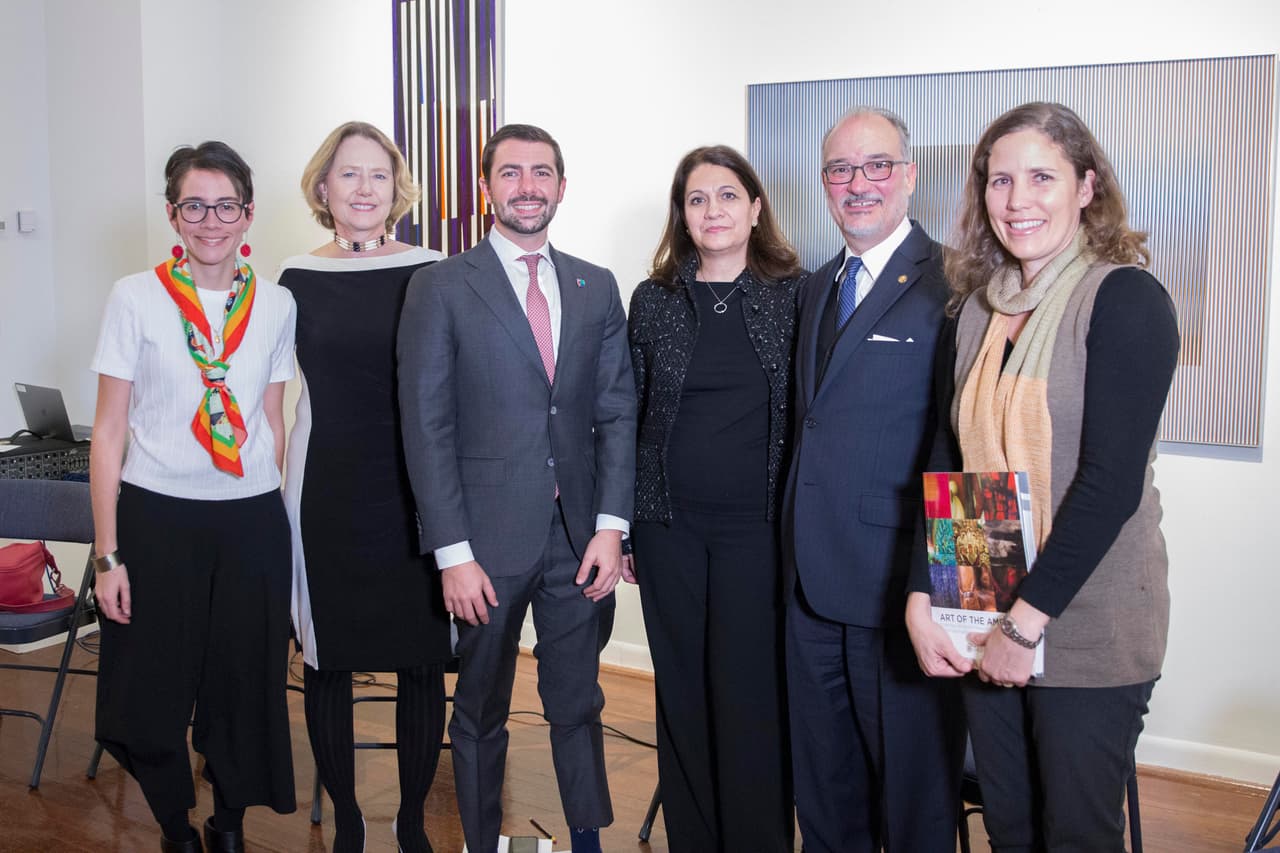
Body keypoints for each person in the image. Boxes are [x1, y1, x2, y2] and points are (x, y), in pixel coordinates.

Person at [905, 100, 1179, 852]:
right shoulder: (974, 313)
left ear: (1087, 186)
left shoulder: (1125, 299)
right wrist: (923, 591)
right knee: (1011, 827)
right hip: (982, 601)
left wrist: (1024, 626)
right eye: (999, 181)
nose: (1017, 200)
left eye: (1040, 177)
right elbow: (947, 455)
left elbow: (1110, 483)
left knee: (1075, 835)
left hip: (1086, 622)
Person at [396, 123, 636, 853]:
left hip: (578, 544)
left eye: (542, 172)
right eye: (511, 172)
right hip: (484, 544)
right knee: (479, 708)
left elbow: (616, 409)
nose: (527, 186)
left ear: (562, 186)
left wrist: (610, 524)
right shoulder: (439, 286)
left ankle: (587, 838)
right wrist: (452, 554)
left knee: (578, 701)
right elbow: (426, 424)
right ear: (486, 186)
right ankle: (479, 837)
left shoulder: (596, 285)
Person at [89, 141, 297, 853]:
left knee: (244, 684)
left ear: (249, 215)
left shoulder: (276, 303)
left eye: (226, 205)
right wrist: (107, 554)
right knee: (148, 689)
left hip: (251, 520)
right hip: (157, 517)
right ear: (174, 214)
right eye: (195, 205)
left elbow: (271, 419)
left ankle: (229, 818)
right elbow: (109, 432)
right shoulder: (134, 296)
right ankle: (175, 822)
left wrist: (286, 531)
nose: (212, 220)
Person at [783, 107, 965, 852]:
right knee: (826, 796)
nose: (858, 184)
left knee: (915, 807)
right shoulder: (816, 285)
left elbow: (959, 448)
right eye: (840, 169)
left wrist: (944, 593)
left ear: (910, 174)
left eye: (876, 165)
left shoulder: (957, 284)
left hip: (902, 594)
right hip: (809, 589)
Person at [280, 121, 450, 853]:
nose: (363, 189)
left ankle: (411, 818)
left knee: (421, 656)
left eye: (377, 175)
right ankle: (346, 817)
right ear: (324, 188)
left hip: (416, 489)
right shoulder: (292, 277)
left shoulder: (436, 269)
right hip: (325, 489)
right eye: (348, 175)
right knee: (329, 655)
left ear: (397, 187)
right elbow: (268, 398)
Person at [627, 145, 803, 853]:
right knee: (682, 697)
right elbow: (630, 416)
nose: (713, 211)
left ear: (756, 208)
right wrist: (629, 524)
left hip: (759, 534)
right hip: (669, 529)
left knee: (751, 699)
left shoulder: (797, 294)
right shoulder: (654, 300)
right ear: (682, 215)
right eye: (698, 199)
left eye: (727, 195)